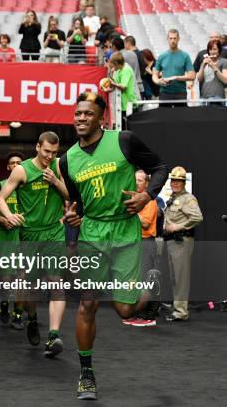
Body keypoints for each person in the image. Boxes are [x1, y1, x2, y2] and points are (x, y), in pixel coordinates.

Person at [60, 92, 168, 400]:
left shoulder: (124, 140)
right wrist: (74, 213)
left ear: (100, 118)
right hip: (93, 234)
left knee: (124, 309)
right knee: (87, 304)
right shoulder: (67, 160)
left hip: (125, 232)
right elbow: (78, 200)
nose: (81, 118)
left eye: (87, 114)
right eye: (77, 113)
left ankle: (151, 284)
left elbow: (160, 166)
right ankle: (86, 374)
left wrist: (147, 196)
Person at [0, 132, 70, 358]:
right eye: (46, 151)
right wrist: (9, 216)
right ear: (37, 147)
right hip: (29, 235)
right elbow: (0, 198)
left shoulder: (59, 166)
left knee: (56, 283)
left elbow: (72, 195)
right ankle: (33, 319)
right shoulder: (22, 170)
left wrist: (56, 181)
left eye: (54, 153)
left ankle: (53, 334)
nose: (50, 156)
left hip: (54, 232)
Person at [0, 152, 24, 326]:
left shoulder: (30, 186)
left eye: (19, 162)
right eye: (12, 163)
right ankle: (4, 301)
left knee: (22, 276)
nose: (15, 165)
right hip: (6, 235)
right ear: (8, 167)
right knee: (7, 277)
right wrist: (3, 219)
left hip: (24, 235)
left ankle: (18, 313)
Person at [163, 166, 203, 322]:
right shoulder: (173, 197)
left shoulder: (188, 198)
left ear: (184, 182)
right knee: (174, 276)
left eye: (179, 181)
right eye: (173, 180)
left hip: (181, 241)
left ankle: (181, 312)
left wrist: (177, 226)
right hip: (172, 241)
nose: (175, 183)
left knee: (181, 277)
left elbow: (198, 218)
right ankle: (177, 308)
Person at [122, 170, 160, 327]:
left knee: (147, 279)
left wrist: (131, 211)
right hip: (134, 244)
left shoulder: (150, 201)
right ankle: (137, 312)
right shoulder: (133, 199)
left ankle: (149, 316)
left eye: (140, 180)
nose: (137, 183)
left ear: (147, 183)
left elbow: (145, 223)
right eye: (135, 180)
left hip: (146, 243)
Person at [153, 29, 195, 107]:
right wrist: (157, 81)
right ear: (167, 39)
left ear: (178, 39)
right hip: (165, 93)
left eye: (175, 38)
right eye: (171, 38)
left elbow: (192, 76)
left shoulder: (185, 56)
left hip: (180, 93)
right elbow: (155, 74)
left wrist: (176, 77)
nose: (173, 41)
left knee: (180, 118)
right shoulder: (162, 56)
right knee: (164, 118)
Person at [196, 39, 227, 104]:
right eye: (210, 49)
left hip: (217, 97)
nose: (212, 52)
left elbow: (225, 80)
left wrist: (214, 67)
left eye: (215, 49)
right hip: (204, 97)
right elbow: (199, 79)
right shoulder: (204, 62)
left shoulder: (224, 62)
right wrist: (202, 66)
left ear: (219, 50)